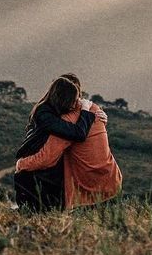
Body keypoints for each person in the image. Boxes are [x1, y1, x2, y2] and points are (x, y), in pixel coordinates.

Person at [15, 74, 122, 210]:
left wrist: (21, 164)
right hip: (111, 178)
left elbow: (47, 157)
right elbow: (77, 133)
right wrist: (87, 113)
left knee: (26, 173)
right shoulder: (88, 109)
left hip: (87, 182)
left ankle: (36, 209)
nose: (78, 100)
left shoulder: (73, 114)